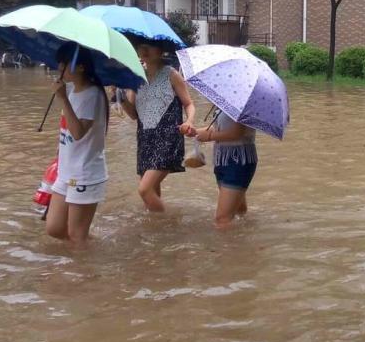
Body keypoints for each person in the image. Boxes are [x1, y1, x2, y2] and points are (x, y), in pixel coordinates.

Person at [120, 39, 196, 212]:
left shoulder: (171, 74)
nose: (144, 50)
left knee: (144, 190)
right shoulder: (136, 77)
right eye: (141, 46)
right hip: (145, 137)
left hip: (168, 137)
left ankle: (169, 223)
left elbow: (189, 103)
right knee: (152, 191)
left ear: (161, 50)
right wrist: (120, 97)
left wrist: (189, 121)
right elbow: (133, 114)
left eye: (149, 46)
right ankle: (157, 230)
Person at [46, 44, 109, 244]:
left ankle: (84, 272)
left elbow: (78, 132)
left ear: (80, 67)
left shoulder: (93, 95)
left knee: (76, 236)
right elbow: (66, 134)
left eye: (63, 65)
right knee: (55, 228)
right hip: (66, 171)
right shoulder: (74, 91)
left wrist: (63, 98)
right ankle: (91, 247)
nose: (60, 69)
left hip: (85, 174)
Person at [187, 111, 256, 229]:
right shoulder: (226, 103)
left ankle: (228, 247)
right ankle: (245, 237)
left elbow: (236, 133)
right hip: (223, 159)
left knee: (222, 219)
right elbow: (218, 129)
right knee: (239, 209)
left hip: (238, 160)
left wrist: (209, 136)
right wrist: (195, 132)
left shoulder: (243, 105)